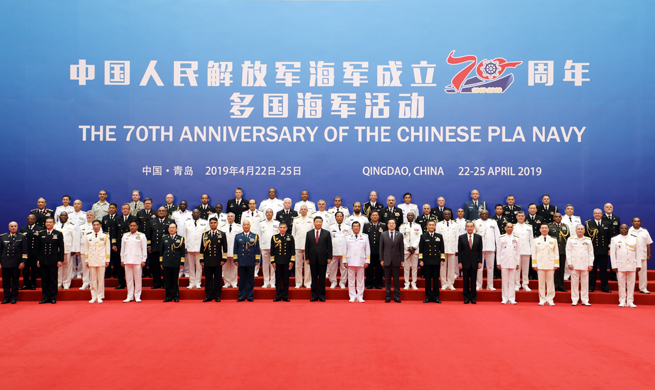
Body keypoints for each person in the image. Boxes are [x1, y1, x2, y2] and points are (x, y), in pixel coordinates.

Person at [610, 224, 640, 308]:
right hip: (620, 265)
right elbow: (613, 254)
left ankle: (630, 300)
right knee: (621, 284)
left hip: (632, 264)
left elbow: (638, 252)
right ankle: (622, 300)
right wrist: (614, 265)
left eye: (625, 228)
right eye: (622, 228)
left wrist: (638, 264)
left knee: (631, 283)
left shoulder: (634, 238)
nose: (624, 230)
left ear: (628, 229)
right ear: (619, 229)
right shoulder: (615, 239)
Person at [37, 218, 64, 304]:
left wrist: (60, 260)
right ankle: (45, 297)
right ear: (45, 224)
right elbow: (38, 248)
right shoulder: (41, 233)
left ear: (54, 223)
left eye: (50, 222)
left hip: (53, 260)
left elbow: (61, 248)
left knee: (53, 279)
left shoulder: (58, 234)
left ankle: (53, 297)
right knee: (44, 279)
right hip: (43, 259)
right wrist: (38, 260)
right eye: (47, 222)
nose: (48, 224)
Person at [200, 217, 228, 302]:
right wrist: (201, 260)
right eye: (211, 223)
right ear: (209, 224)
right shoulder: (205, 234)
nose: (213, 224)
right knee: (208, 279)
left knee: (218, 279)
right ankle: (208, 296)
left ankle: (217, 296)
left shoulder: (222, 234)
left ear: (217, 223)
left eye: (214, 222)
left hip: (218, 260)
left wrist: (224, 259)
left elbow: (225, 248)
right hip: (208, 260)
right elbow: (202, 247)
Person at [305, 216, 332, 302]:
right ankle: (314, 296)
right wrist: (307, 257)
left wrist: (329, 257)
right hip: (312, 259)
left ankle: (322, 296)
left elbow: (329, 246)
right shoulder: (309, 233)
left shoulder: (326, 233)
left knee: (322, 278)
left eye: (320, 222)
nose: (318, 223)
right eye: (316, 222)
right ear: (314, 222)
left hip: (323, 259)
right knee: (313, 278)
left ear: (322, 223)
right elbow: (307, 247)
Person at [146, 207, 174, 289]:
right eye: (159, 211)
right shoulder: (152, 221)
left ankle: (166, 283)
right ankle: (157, 283)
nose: (161, 212)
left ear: (166, 212)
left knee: (166, 267)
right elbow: (149, 235)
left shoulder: (170, 222)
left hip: (166, 248)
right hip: (155, 247)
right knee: (155, 267)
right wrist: (149, 246)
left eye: (163, 211)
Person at [566, 225, 594, 306]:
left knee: (585, 283)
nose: (580, 230)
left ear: (584, 231)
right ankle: (574, 299)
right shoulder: (571, 239)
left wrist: (590, 263)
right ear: (576, 230)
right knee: (574, 283)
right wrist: (569, 263)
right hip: (574, 264)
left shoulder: (588, 240)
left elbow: (591, 253)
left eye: (582, 229)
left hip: (585, 264)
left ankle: (585, 300)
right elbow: (568, 252)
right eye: (579, 229)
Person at [585, 209, 612, 293]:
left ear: (601, 214)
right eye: (595, 213)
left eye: (599, 213)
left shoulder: (607, 224)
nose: (597, 215)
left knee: (603, 270)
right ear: (593, 214)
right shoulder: (589, 224)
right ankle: (591, 287)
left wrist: (609, 248)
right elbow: (586, 237)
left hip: (603, 250)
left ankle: (605, 287)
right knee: (592, 270)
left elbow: (609, 237)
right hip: (592, 250)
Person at [84, 220, 111, 303]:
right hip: (92, 259)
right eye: (94, 225)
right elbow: (86, 249)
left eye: (97, 225)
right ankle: (93, 296)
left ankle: (100, 296)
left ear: (100, 226)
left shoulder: (105, 235)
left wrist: (107, 260)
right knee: (93, 279)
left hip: (101, 259)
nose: (96, 226)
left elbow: (107, 249)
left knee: (100, 279)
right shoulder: (88, 236)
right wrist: (86, 260)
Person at [532, 224, 559, 306]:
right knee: (541, 283)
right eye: (542, 228)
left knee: (551, 282)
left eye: (546, 228)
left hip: (550, 263)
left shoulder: (553, 240)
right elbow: (534, 253)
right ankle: (542, 299)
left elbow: (556, 253)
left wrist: (556, 264)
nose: (544, 230)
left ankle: (550, 298)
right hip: (540, 263)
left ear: (548, 229)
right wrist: (534, 264)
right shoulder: (536, 240)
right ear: (540, 230)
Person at [233, 220, 260, 302]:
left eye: (247, 225)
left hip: (251, 260)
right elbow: (235, 249)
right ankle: (241, 296)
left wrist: (257, 259)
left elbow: (257, 249)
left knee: (250, 279)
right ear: (242, 226)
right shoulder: (238, 236)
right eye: (244, 225)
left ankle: (250, 296)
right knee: (242, 279)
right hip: (241, 260)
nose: (246, 226)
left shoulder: (254, 236)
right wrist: (235, 259)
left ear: (250, 226)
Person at [0, 222, 27, 304]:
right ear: (9, 228)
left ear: (17, 227)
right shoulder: (3, 237)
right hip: (5, 262)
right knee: (5, 281)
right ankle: (6, 297)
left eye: (15, 226)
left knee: (15, 281)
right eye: (11, 226)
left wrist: (23, 261)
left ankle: (14, 297)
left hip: (16, 263)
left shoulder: (22, 237)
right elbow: (0, 251)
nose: (13, 227)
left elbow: (25, 251)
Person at [419, 220, 444, 303]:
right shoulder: (423, 236)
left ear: (435, 226)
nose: (431, 226)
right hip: (427, 261)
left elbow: (442, 249)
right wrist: (421, 260)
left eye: (433, 225)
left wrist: (442, 259)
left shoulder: (439, 236)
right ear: (427, 226)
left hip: (436, 260)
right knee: (428, 280)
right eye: (430, 225)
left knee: (436, 280)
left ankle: (436, 297)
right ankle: (428, 297)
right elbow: (421, 249)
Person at [120, 221, 147, 303]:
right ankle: (130, 296)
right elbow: (122, 248)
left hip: (137, 260)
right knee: (128, 279)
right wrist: (122, 259)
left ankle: (137, 296)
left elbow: (144, 249)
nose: (132, 227)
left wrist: (144, 260)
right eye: (131, 226)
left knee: (138, 279)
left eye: (134, 226)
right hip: (127, 259)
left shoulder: (141, 236)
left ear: (137, 226)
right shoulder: (125, 236)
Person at [474, 210, 500, 291]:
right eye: (482, 214)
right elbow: (473, 235)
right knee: (479, 268)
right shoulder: (476, 222)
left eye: (486, 213)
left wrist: (497, 247)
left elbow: (497, 235)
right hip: (479, 249)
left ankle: (490, 285)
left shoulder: (493, 222)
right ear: (480, 214)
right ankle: (479, 285)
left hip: (491, 247)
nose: (484, 215)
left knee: (490, 267)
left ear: (488, 214)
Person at [344, 221, 370, 302]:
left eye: (357, 226)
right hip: (350, 260)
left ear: (360, 227)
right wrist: (344, 260)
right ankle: (352, 296)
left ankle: (360, 296)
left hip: (361, 260)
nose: (356, 228)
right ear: (351, 228)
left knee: (360, 279)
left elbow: (368, 250)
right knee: (351, 279)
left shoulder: (365, 237)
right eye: (354, 226)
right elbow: (344, 250)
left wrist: (367, 261)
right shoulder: (347, 237)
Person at [458, 222, 483, 304]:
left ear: (473, 228)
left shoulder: (478, 237)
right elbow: (460, 251)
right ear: (465, 227)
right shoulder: (461, 237)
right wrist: (459, 262)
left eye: (471, 226)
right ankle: (465, 297)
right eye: (468, 226)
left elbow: (480, 251)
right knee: (465, 281)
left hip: (474, 262)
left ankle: (473, 298)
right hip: (465, 262)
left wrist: (480, 262)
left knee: (473, 281)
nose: (469, 228)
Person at [380, 219, 404, 303]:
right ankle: (387, 296)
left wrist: (402, 260)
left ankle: (397, 296)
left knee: (396, 280)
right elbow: (381, 248)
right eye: (390, 223)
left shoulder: (400, 235)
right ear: (387, 225)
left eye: (393, 223)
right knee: (387, 279)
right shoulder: (383, 234)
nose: (391, 225)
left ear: (395, 225)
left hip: (396, 260)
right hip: (386, 260)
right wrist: (381, 259)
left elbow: (401, 248)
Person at [160, 223, 185, 302]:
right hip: (167, 261)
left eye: (173, 228)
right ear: (168, 229)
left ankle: (176, 296)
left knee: (175, 280)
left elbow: (182, 252)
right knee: (167, 280)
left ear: (176, 229)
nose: (172, 229)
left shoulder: (180, 238)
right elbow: (161, 251)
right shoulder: (164, 238)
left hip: (176, 262)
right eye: (170, 228)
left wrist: (182, 263)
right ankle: (168, 296)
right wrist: (161, 262)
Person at [55, 211, 80, 290]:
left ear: (67, 217)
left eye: (64, 216)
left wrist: (73, 249)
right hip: (57, 250)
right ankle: (59, 283)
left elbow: (75, 239)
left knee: (67, 267)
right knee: (58, 267)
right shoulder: (56, 226)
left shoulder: (71, 227)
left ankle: (66, 283)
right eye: (61, 215)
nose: (63, 217)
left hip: (68, 250)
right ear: (59, 217)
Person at [496, 223, 520, 305]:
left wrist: (517, 263)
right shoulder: (501, 238)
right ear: (505, 228)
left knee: (512, 280)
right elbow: (498, 251)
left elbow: (518, 252)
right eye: (508, 227)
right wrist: (498, 262)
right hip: (504, 261)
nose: (509, 228)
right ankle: (505, 298)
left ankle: (512, 298)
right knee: (505, 280)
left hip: (513, 261)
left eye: (511, 227)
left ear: (513, 228)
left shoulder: (516, 238)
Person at [113, 203, 136, 289]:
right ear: (121, 210)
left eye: (126, 209)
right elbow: (114, 232)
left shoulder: (134, 218)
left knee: (132, 265)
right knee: (120, 265)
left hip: (131, 245)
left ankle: (132, 283)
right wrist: (114, 244)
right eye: (123, 209)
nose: (125, 210)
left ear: (129, 210)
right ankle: (121, 283)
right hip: (120, 245)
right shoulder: (117, 219)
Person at [184, 209, 208, 289]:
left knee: (199, 266)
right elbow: (185, 236)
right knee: (190, 266)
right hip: (190, 247)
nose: (195, 214)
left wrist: (205, 247)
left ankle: (198, 282)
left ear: (200, 214)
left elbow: (206, 236)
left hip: (200, 248)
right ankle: (191, 282)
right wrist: (185, 247)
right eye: (194, 213)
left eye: (197, 213)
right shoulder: (187, 223)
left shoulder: (204, 222)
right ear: (192, 214)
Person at [271, 222, 295, 302]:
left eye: (284, 227)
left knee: (286, 279)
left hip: (286, 262)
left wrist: (291, 261)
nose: (282, 229)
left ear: (286, 228)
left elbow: (292, 251)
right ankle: (278, 295)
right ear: (278, 228)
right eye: (281, 227)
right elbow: (272, 251)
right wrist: (273, 261)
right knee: (278, 279)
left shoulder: (290, 237)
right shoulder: (275, 237)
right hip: (278, 262)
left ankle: (285, 296)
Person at [19, 214, 44, 290]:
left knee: (34, 269)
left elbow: (41, 242)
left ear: (35, 220)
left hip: (35, 253)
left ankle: (33, 284)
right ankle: (26, 284)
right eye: (29, 219)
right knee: (25, 270)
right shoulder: (23, 229)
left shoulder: (40, 229)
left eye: (32, 219)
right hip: (26, 253)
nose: (30, 220)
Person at [292, 205, 313, 289]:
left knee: (308, 265)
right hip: (298, 245)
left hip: (308, 246)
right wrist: (293, 245)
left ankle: (307, 283)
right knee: (298, 265)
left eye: (305, 209)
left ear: (307, 210)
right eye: (302, 209)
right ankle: (298, 283)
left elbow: (313, 233)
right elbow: (293, 233)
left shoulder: (311, 219)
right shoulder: (296, 219)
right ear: (299, 210)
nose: (303, 210)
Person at [436, 210, 459, 291]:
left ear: (450, 215)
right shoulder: (438, 225)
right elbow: (437, 238)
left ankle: (451, 283)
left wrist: (456, 249)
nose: (447, 215)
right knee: (442, 267)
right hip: (442, 249)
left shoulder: (455, 225)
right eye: (445, 214)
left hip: (452, 248)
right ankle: (443, 283)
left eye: (448, 214)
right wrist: (438, 249)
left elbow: (457, 237)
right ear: (443, 215)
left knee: (452, 267)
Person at [363, 211, 386, 289]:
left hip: (380, 251)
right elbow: (364, 238)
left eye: (376, 215)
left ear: (378, 217)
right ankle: (369, 284)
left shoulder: (383, 225)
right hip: (369, 251)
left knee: (379, 269)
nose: (375, 216)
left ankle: (378, 284)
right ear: (370, 217)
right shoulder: (366, 226)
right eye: (373, 215)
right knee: (369, 269)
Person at [400, 212, 422, 290]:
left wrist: (414, 247)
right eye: (409, 215)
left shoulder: (418, 226)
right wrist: (408, 247)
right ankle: (406, 283)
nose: (410, 216)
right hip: (406, 250)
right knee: (406, 268)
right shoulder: (402, 226)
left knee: (414, 267)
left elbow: (420, 237)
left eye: (411, 215)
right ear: (406, 216)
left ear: (414, 217)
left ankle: (414, 283)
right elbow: (401, 237)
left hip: (415, 250)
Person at [629, 218, 652, 294]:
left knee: (643, 273)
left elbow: (648, 244)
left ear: (640, 222)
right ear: (632, 222)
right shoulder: (628, 231)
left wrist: (649, 254)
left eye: (638, 221)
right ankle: (629, 288)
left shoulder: (645, 232)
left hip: (642, 255)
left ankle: (643, 288)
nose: (636, 222)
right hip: (631, 256)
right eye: (635, 221)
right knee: (630, 273)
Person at [329, 212, 351, 289]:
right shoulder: (331, 227)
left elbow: (350, 239)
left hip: (344, 250)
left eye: (340, 216)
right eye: (337, 216)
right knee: (332, 268)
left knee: (344, 268)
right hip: (333, 250)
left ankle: (342, 282)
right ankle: (333, 282)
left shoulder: (348, 227)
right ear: (335, 217)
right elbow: (329, 239)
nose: (339, 218)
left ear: (343, 217)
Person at [548, 213, 570, 292]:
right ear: (553, 218)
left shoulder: (565, 226)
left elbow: (568, 239)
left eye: (559, 217)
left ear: (561, 218)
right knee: (553, 270)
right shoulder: (550, 226)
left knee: (561, 270)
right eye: (556, 217)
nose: (558, 218)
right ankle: (553, 286)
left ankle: (561, 286)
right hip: (552, 251)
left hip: (562, 251)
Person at [220, 213, 242, 288]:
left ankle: (234, 282)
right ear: (227, 218)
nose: (230, 217)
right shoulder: (222, 227)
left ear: (234, 218)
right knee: (225, 268)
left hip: (235, 250)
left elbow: (240, 240)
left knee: (234, 267)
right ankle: (226, 282)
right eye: (228, 216)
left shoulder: (239, 227)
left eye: (231, 216)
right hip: (225, 250)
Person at [260, 209, 280, 289]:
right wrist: (260, 247)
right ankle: (265, 282)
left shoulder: (277, 223)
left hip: (274, 248)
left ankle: (272, 282)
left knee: (273, 265)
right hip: (264, 247)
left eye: (270, 212)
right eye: (267, 212)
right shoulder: (261, 224)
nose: (269, 214)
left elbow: (279, 235)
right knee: (265, 265)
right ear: (265, 214)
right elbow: (259, 235)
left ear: (273, 213)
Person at [513, 212, 534, 291]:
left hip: (526, 250)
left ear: (525, 217)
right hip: (516, 251)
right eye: (519, 216)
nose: (521, 217)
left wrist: (532, 251)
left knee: (526, 269)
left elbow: (531, 240)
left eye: (522, 216)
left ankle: (525, 284)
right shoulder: (513, 227)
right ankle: (517, 284)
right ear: (516, 217)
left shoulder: (529, 227)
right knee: (517, 269)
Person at [561, 204, 582, 281]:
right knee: (567, 258)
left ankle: (576, 273)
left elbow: (580, 228)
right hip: (566, 240)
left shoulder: (577, 219)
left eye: (571, 209)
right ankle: (566, 274)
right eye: (568, 209)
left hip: (576, 240)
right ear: (565, 211)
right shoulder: (562, 219)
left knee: (576, 256)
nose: (569, 210)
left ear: (573, 211)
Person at [173, 201, 193, 278]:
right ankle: (180, 271)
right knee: (178, 254)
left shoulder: (190, 214)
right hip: (177, 237)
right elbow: (173, 224)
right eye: (181, 204)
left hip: (188, 237)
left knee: (187, 255)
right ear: (179, 205)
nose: (183, 205)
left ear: (187, 205)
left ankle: (187, 271)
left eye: (184, 204)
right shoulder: (175, 214)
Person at [77, 210, 96, 290]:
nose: (89, 216)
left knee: (92, 267)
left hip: (93, 250)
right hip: (83, 249)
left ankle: (92, 283)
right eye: (87, 215)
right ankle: (85, 283)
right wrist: (77, 249)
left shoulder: (96, 226)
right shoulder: (81, 226)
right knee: (85, 268)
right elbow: (78, 238)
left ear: (93, 216)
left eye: (90, 215)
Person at [101, 203, 119, 279]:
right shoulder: (105, 218)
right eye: (110, 208)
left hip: (116, 241)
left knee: (116, 258)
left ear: (116, 209)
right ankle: (107, 273)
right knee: (107, 257)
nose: (111, 209)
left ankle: (116, 273)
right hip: (106, 240)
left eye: (113, 208)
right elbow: (103, 230)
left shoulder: (119, 217)